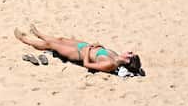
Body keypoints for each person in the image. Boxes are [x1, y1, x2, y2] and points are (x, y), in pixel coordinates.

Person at [13, 25, 142, 74]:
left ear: (128, 60)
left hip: (79, 54)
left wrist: (86, 53)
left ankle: (25, 40)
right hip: (85, 46)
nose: (128, 52)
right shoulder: (115, 55)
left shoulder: (110, 64)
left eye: (130, 54)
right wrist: (98, 46)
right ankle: (39, 34)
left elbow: (87, 64)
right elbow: (102, 51)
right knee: (61, 39)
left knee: (51, 45)